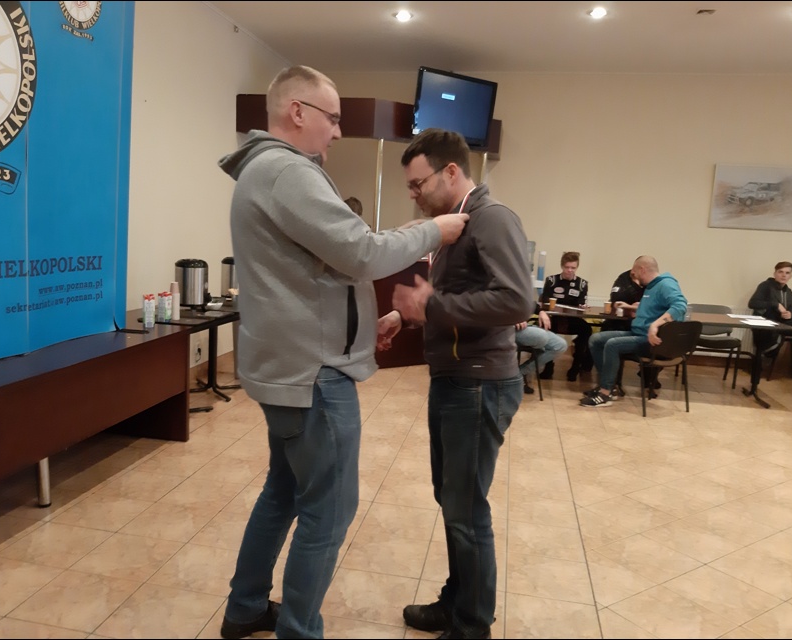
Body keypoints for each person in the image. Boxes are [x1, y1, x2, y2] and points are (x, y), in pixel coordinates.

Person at [216, 66, 469, 640]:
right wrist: (435, 230)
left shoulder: (264, 170)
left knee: (283, 492)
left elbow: (319, 270)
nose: (336, 131)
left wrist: (357, 329)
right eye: (332, 118)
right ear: (297, 112)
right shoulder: (287, 171)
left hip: (290, 368)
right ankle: (299, 631)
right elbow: (360, 254)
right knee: (328, 512)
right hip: (313, 377)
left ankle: (245, 607)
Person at [378, 128, 534, 640]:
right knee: (452, 501)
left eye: (418, 183)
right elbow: (454, 300)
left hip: (478, 383)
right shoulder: (455, 226)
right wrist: (407, 316)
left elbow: (516, 300)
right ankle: (458, 602)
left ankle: (471, 626)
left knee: (466, 510)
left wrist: (433, 305)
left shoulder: (492, 218)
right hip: (455, 380)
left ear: (450, 172)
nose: (413, 194)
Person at [580, 255, 687, 408]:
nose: (633, 276)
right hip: (638, 333)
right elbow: (653, 309)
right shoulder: (651, 287)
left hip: (652, 342)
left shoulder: (666, 284)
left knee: (612, 344)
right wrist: (632, 307)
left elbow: (680, 306)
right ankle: (610, 386)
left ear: (642, 269)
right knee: (596, 340)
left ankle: (605, 393)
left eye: (634, 273)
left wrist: (655, 325)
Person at [538, 251, 592, 380]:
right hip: (554, 319)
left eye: (573, 268)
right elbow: (544, 301)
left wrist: (583, 306)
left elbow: (581, 303)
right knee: (541, 328)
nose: (570, 270)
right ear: (562, 266)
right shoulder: (551, 280)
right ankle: (548, 367)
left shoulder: (582, 284)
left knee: (587, 330)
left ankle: (575, 368)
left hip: (572, 320)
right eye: (567, 267)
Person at [748, 261, 792, 356]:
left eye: (787, 273)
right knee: (770, 338)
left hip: (783, 324)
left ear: (790, 276)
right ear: (775, 273)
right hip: (766, 324)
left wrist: (789, 315)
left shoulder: (789, 292)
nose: (784, 275)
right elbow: (753, 303)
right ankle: (767, 358)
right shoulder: (765, 286)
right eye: (780, 272)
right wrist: (776, 304)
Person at [514, 321, 568, 393]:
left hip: (531, 326)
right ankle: (513, 378)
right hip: (510, 327)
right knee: (541, 336)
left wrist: (541, 313)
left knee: (560, 345)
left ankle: (519, 373)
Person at [600, 267, 645, 332]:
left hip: (638, 326)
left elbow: (647, 307)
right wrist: (631, 307)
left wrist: (629, 306)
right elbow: (616, 300)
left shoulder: (651, 282)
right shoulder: (624, 277)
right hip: (617, 321)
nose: (632, 272)